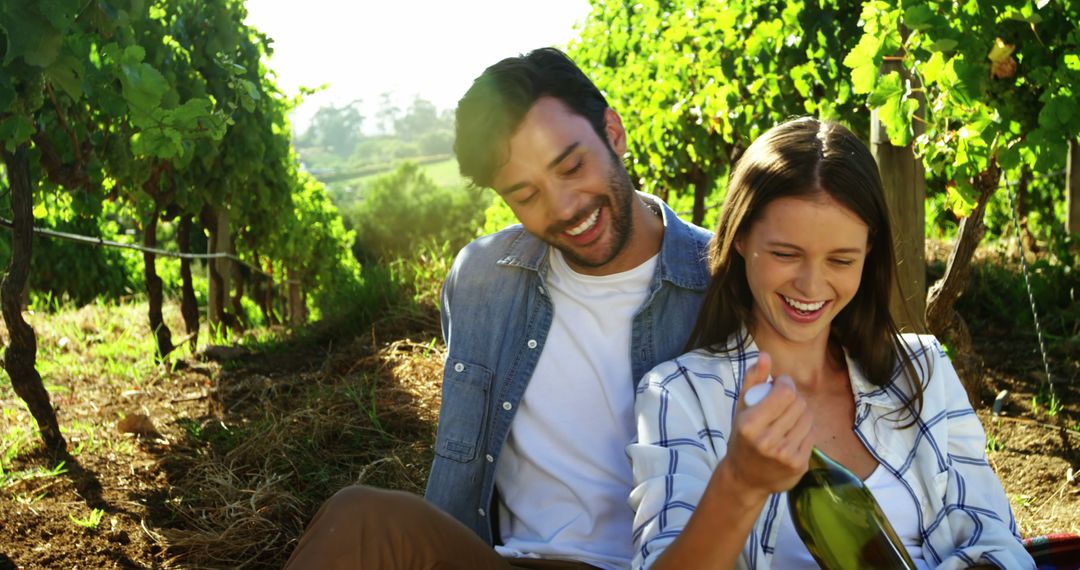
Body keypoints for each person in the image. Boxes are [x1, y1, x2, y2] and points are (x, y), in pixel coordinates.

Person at [284, 48, 712, 569]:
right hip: (505, 561)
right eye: (526, 195)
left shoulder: (723, 283)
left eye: (572, 166)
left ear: (613, 133)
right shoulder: (482, 280)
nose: (564, 207)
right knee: (361, 519)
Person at [627, 117, 1035, 569]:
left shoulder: (922, 370)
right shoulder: (679, 394)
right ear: (740, 237)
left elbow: (997, 541)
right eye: (785, 254)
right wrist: (739, 484)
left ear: (869, 251)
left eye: (841, 260)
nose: (810, 285)